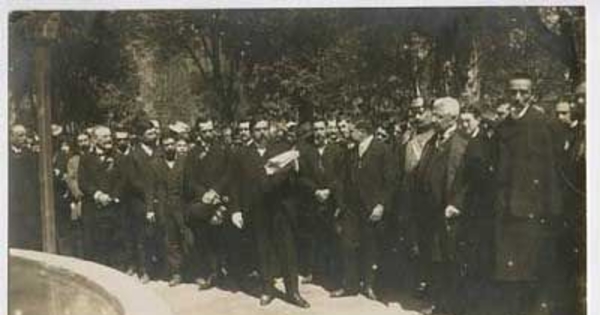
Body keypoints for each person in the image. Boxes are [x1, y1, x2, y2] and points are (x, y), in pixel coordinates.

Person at [493, 73, 564, 315]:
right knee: (507, 271)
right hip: (504, 206)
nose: (517, 97)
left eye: (523, 92)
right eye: (513, 92)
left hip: (531, 209)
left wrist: (551, 208)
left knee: (530, 269)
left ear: (531, 95)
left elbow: (550, 168)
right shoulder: (502, 126)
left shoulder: (541, 123)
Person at [232, 117, 310, 308]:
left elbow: (292, 176)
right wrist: (236, 210)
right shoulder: (242, 154)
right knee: (263, 250)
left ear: (270, 130)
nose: (262, 132)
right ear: (251, 133)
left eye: (265, 128)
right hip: (257, 209)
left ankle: (293, 292)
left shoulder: (282, 149)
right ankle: (267, 289)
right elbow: (235, 185)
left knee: (287, 251)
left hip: (279, 209)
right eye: (257, 129)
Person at [411, 97, 469, 314]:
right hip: (429, 211)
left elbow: (467, 181)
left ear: (452, 117)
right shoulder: (433, 140)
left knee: (448, 259)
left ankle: (448, 306)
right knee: (434, 257)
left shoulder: (461, 142)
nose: (433, 119)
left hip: (450, 212)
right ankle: (438, 302)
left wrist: (456, 204)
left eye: (438, 116)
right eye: (433, 114)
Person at [331, 118, 394, 301]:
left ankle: (368, 285)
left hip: (371, 208)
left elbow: (391, 181)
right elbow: (343, 180)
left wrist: (381, 204)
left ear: (363, 131)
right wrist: (341, 205)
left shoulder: (382, 150)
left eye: (352, 131)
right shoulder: (351, 152)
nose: (349, 134)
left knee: (370, 246)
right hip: (351, 209)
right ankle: (349, 285)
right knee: (348, 245)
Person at [184, 117, 232, 290]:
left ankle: (224, 271)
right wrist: (204, 194)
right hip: (202, 201)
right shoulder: (192, 153)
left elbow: (228, 174)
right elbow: (189, 180)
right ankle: (211, 272)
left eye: (210, 130)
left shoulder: (223, 150)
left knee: (222, 235)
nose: (208, 134)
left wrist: (216, 191)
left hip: (219, 197)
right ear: (199, 133)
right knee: (204, 237)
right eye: (204, 131)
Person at [298, 117, 343, 285]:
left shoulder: (336, 150)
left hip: (332, 201)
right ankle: (312, 272)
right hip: (313, 200)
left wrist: (329, 191)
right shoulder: (307, 151)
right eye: (315, 130)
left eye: (321, 129)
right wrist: (315, 191)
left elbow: (340, 176)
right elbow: (302, 177)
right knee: (313, 237)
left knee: (332, 237)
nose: (318, 133)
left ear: (327, 130)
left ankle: (332, 273)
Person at [79, 126, 126, 267]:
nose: (109, 139)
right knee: (93, 245)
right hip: (92, 209)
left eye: (109, 136)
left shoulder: (119, 157)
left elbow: (123, 180)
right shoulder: (85, 158)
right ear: (95, 139)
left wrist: (112, 197)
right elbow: (83, 181)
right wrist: (97, 195)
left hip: (113, 209)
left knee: (114, 245)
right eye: (104, 137)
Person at [150, 131, 189, 287]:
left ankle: (194, 270)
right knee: (170, 241)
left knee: (188, 238)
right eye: (166, 145)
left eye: (172, 144)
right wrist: (154, 209)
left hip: (183, 205)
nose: (170, 147)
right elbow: (153, 188)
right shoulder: (155, 164)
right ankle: (176, 272)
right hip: (165, 207)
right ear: (162, 146)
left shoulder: (185, 161)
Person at [9, 124, 42, 250]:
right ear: (11, 137)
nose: (23, 138)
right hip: (12, 201)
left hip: (28, 201)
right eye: (20, 135)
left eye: (24, 135)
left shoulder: (31, 155)